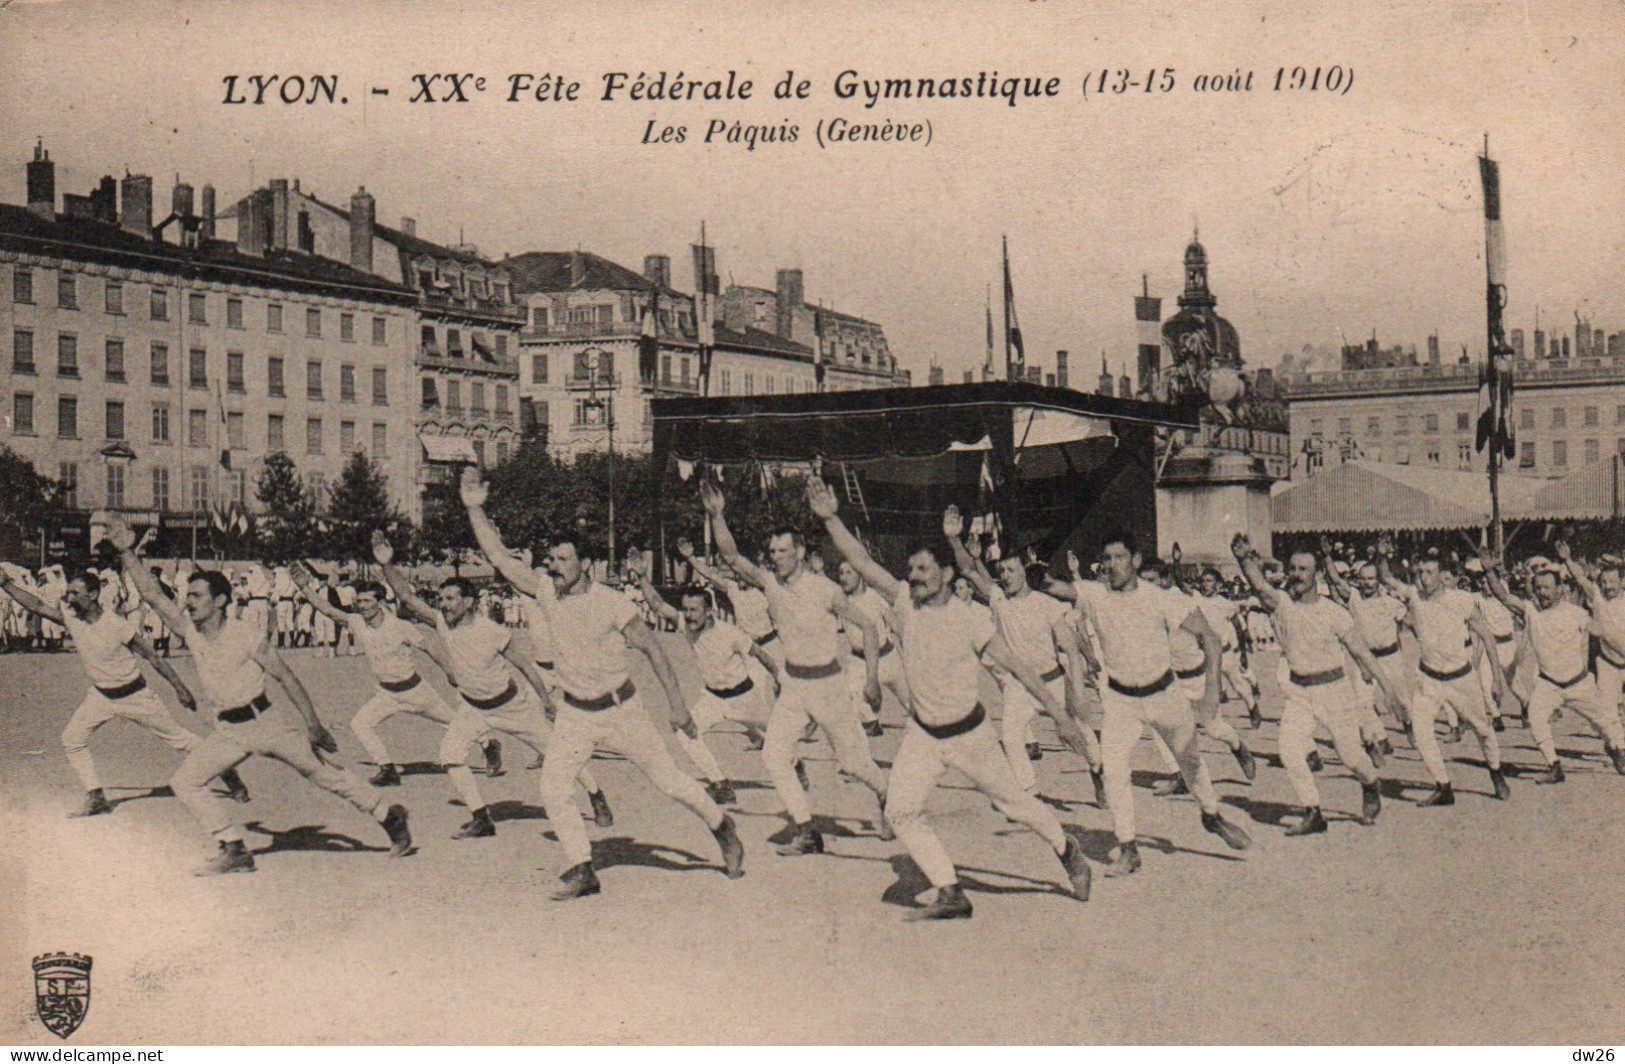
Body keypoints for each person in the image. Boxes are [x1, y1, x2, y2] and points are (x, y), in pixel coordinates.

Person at [809, 478, 1092, 919]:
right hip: (923, 736)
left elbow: (1020, 669)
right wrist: (830, 519)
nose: (913, 576)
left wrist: (1061, 716)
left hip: (971, 735)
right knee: (901, 812)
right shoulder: (903, 603)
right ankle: (949, 890)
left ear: (945, 575)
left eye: (923, 570)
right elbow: (862, 561)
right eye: (912, 570)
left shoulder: (971, 620)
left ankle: (1065, 846)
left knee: (1014, 806)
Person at [463, 471, 744, 899]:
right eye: (551, 560)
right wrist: (474, 508)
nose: (553, 567)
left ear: (585, 564)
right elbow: (500, 558)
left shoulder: (612, 604)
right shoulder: (545, 593)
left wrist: (677, 706)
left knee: (669, 782)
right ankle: (581, 867)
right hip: (576, 713)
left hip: (622, 711)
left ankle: (721, 825)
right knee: (554, 788)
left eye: (563, 559)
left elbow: (654, 650)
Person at [107, 519, 411, 874]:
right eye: (188, 596)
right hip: (228, 731)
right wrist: (127, 552)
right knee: (185, 782)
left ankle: (389, 816)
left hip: (266, 724)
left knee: (325, 777)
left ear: (219, 601)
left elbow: (286, 677)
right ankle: (233, 848)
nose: (188, 603)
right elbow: (152, 595)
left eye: (196, 596)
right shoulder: (189, 629)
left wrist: (312, 726)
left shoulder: (245, 634)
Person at [700, 478, 891, 857]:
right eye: (773, 551)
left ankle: (886, 794)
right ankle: (806, 831)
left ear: (800, 552)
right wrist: (718, 516)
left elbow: (868, 626)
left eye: (783, 551)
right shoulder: (769, 583)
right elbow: (733, 557)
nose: (776, 557)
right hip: (794, 688)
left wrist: (871, 679)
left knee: (853, 763)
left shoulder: (825, 589)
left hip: (829, 686)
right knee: (774, 756)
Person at [373, 530, 605, 841]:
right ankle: (481, 817)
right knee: (450, 756)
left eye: (451, 598)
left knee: (557, 753)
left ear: (468, 602)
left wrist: (547, 702)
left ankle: (596, 795)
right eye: (442, 599)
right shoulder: (442, 623)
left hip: (512, 706)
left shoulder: (490, 630)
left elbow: (524, 665)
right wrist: (388, 565)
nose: (444, 604)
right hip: (473, 708)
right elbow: (408, 598)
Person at [1047, 532, 1252, 876]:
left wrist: (1212, 693)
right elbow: (1052, 587)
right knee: (1113, 772)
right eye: (1107, 558)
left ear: (1136, 561)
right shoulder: (1094, 594)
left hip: (1165, 695)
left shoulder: (1161, 599)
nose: (1112, 565)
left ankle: (1212, 816)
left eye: (1119, 557)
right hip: (1120, 700)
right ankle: (1128, 848)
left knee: (1190, 759)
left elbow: (1210, 638)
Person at [0, 563, 248, 818]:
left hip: (136, 696)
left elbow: (153, 657)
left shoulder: (117, 625)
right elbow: (37, 606)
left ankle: (226, 770)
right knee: (72, 740)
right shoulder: (72, 620)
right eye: (69, 593)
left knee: (181, 740)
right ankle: (96, 796)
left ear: (93, 595)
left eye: (75, 593)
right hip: (100, 697)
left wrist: (181, 689)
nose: (68, 597)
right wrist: (6, 583)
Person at [942, 506, 1108, 807]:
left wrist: (1077, 692)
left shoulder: (1046, 604)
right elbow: (967, 570)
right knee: (1012, 737)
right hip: (1022, 686)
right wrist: (954, 540)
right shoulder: (998, 601)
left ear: (1024, 572)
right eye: (1002, 572)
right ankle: (1030, 793)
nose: (1005, 577)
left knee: (1082, 737)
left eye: (1011, 571)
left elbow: (1070, 649)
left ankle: (1098, 772)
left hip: (1054, 682)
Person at [1232, 537, 1394, 834]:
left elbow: (1361, 653)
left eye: (1304, 569)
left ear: (1317, 575)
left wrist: (1388, 688)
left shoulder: (1334, 612)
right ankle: (1313, 811)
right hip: (1299, 693)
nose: (1296, 574)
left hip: (1335, 691)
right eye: (1293, 568)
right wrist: (1244, 561)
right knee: (1289, 750)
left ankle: (1370, 784)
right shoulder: (1281, 605)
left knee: (1351, 756)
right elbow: (1260, 587)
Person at [290, 563, 491, 788]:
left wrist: (449, 672)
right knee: (360, 724)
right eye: (359, 601)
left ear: (381, 603)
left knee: (453, 723)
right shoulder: (356, 622)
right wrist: (304, 588)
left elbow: (429, 647)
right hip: (386, 694)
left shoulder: (399, 626)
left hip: (416, 692)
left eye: (367, 601)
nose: (362, 605)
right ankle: (387, 769)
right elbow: (328, 610)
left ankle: (488, 744)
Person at [1376, 537, 1511, 805]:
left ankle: (1496, 773)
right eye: (1420, 573)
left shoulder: (1460, 600)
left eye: (1430, 573)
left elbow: (1486, 634)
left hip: (1461, 678)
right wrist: (1381, 557)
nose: (1424, 578)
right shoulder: (1413, 596)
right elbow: (1386, 577)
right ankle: (1443, 786)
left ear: (1441, 575)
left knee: (1483, 730)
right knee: (1422, 733)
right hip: (1429, 680)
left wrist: (1496, 677)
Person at [631, 560, 777, 804]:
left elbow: (761, 655)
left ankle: (796, 765)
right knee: (683, 730)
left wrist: (778, 678)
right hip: (713, 698)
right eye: (686, 609)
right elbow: (658, 606)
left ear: (709, 610)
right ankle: (720, 783)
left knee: (778, 736)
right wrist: (643, 576)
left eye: (694, 610)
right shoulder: (686, 627)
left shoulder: (730, 633)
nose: (688, 616)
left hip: (745, 698)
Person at [1484, 544, 1625, 782]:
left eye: (1548, 588)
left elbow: (1605, 634)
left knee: (1607, 723)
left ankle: (1616, 751)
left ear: (1560, 589)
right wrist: (1489, 572)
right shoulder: (1529, 611)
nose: (1543, 592)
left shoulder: (1575, 613)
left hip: (1580, 684)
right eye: (1539, 588)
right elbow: (1504, 597)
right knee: (1536, 719)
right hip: (1548, 685)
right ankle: (1554, 766)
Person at [1137, 557, 1258, 792]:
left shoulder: (1179, 602)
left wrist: (1215, 683)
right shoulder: (1144, 605)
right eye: (1142, 582)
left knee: (1213, 729)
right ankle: (1179, 775)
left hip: (1197, 676)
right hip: (1171, 680)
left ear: (1164, 580)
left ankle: (1238, 747)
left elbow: (1208, 638)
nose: (1145, 586)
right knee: (1155, 722)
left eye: (1151, 581)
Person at [1322, 553, 1410, 760]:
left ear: (1377, 580)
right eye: (1363, 578)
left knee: (1400, 701)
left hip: (1390, 657)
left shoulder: (1390, 602)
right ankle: (1378, 739)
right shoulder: (1353, 598)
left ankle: (1408, 724)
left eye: (1371, 578)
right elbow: (1335, 579)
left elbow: (1408, 623)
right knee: (1363, 702)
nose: (1367, 583)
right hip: (1366, 660)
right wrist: (1327, 556)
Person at [832, 556, 909, 738]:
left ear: (861, 575)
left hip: (888, 658)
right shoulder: (841, 601)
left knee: (915, 706)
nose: (844, 577)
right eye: (841, 573)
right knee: (850, 695)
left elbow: (897, 626)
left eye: (849, 572)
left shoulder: (874, 596)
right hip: (860, 661)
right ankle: (871, 722)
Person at [1193, 567, 1262, 728]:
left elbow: (1238, 627)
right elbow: (1182, 585)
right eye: (1203, 580)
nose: (1205, 584)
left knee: (1238, 685)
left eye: (1209, 581)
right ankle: (1213, 718)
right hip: (1204, 654)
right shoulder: (1196, 599)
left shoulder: (1225, 604)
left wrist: (1243, 653)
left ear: (1217, 585)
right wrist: (1176, 563)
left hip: (1224, 653)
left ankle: (1252, 706)